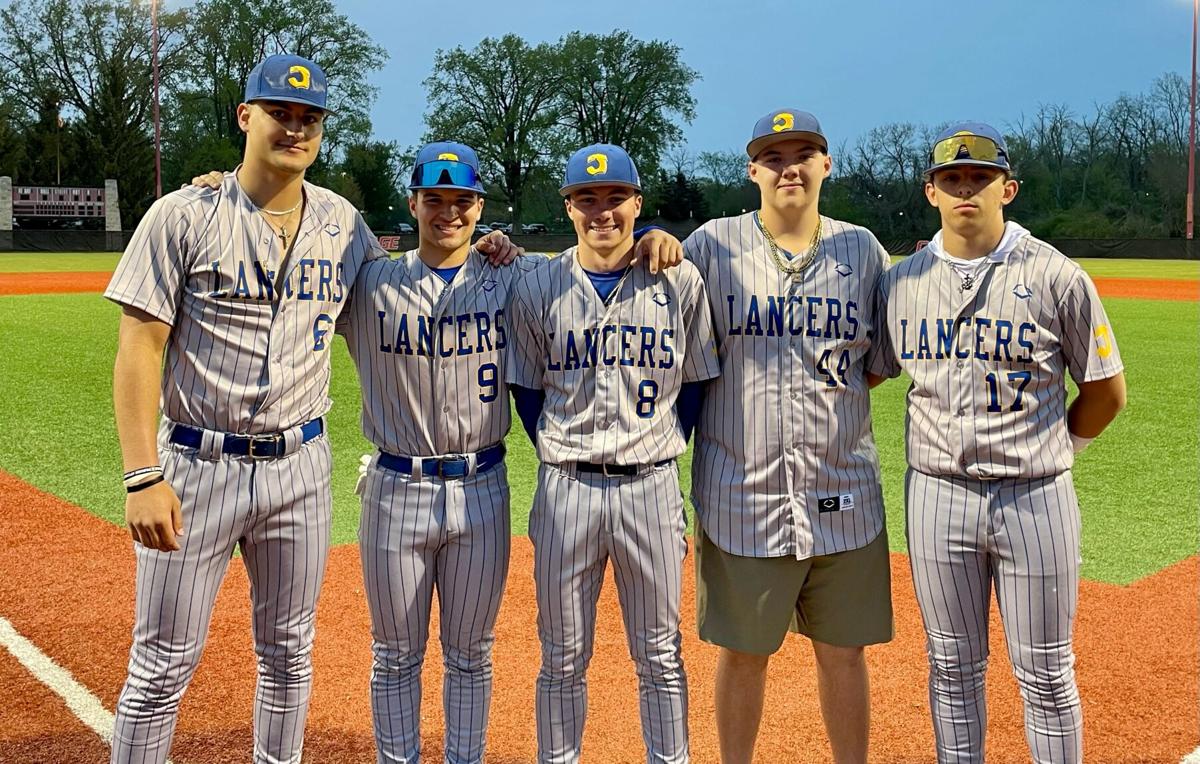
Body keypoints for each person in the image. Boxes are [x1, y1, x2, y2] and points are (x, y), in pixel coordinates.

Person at [105, 55, 523, 764]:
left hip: (300, 468)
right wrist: (142, 474)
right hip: (197, 463)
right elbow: (140, 348)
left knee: (290, 656)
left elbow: (413, 275)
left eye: (308, 118)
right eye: (279, 113)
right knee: (162, 664)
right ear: (246, 117)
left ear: (321, 130)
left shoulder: (340, 223)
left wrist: (488, 248)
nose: (294, 127)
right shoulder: (182, 214)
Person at [868, 122, 1126, 763]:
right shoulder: (900, 283)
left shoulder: (1056, 276)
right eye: (951, 179)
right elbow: (872, 368)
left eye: (978, 179)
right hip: (935, 497)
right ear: (930, 193)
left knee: (1044, 671)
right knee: (952, 668)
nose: (965, 190)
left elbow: (1105, 391)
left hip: (1034, 497)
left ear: (1006, 188)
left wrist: (1061, 451)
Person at [682, 110, 894, 764]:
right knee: (743, 656)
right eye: (774, 157)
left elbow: (877, 364)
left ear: (826, 165)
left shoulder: (863, 252)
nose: (789, 167)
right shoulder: (709, 248)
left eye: (804, 154)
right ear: (752, 171)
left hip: (842, 494)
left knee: (844, 653)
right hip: (742, 497)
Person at [506, 143, 720, 764]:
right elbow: (526, 390)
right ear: (569, 206)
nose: (603, 212)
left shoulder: (677, 279)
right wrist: (563, 446)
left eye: (615, 198)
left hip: (650, 487)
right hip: (565, 486)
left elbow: (698, 383)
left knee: (659, 651)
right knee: (562, 654)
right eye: (587, 199)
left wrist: (656, 447)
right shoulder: (539, 282)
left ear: (637, 203)